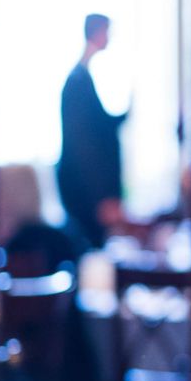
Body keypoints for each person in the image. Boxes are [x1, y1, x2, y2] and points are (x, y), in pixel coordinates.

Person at [56, 13, 129, 249]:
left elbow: (99, 127)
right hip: (85, 194)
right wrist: (101, 198)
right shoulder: (77, 81)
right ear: (97, 33)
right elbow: (84, 146)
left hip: (88, 192)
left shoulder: (83, 78)